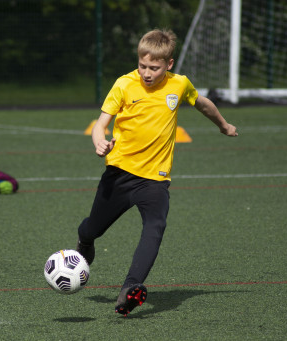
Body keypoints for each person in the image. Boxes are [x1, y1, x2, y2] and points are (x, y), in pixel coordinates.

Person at [76, 29, 238, 316]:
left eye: (154, 67)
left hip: (155, 179)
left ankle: (130, 288)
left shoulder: (179, 85)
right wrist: (99, 141)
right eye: (142, 65)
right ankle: (85, 241)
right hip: (120, 174)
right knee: (93, 228)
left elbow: (202, 103)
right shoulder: (124, 84)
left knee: (155, 226)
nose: (147, 73)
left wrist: (223, 125)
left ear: (169, 65)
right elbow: (101, 123)